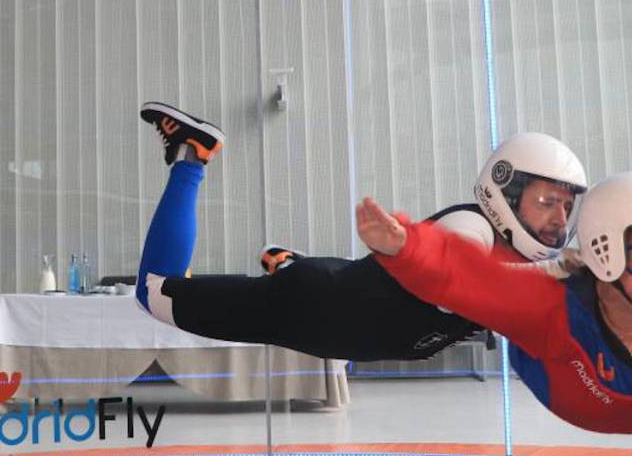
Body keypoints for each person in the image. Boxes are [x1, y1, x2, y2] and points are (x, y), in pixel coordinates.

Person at [360, 152, 632, 434]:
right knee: (514, 298)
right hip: (561, 369)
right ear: (606, 253)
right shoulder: (548, 313)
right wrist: (406, 246)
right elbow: (466, 279)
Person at [131, 101, 589, 361]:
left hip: (339, 296)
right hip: (306, 310)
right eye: (547, 201)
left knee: (347, 277)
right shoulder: (472, 228)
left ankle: (286, 264)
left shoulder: (515, 257)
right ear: (507, 190)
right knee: (153, 293)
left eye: (567, 207)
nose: (559, 218)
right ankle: (192, 154)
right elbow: (458, 278)